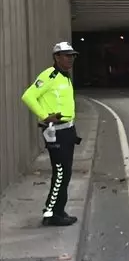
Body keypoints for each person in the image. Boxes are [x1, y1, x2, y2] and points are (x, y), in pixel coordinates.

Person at [21, 41, 82, 227]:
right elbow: (28, 96)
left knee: (65, 172)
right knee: (61, 172)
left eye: (72, 55)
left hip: (68, 130)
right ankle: (52, 214)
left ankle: (57, 211)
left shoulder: (65, 76)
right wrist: (45, 116)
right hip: (56, 132)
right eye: (66, 55)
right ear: (56, 57)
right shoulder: (50, 75)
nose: (70, 59)